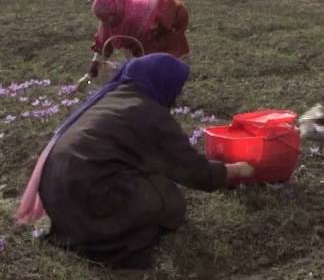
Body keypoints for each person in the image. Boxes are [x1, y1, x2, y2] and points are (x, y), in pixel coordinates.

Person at [15, 54, 253, 269]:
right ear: (164, 83)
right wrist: (239, 170)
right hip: (87, 195)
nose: (178, 95)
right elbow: (194, 173)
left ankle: (78, 232)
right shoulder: (148, 113)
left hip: (58, 195)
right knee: (166, 197)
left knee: (147, 180)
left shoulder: (111, 98)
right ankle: (107, 243)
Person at [89, 0, 190, 79]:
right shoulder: (110, 16)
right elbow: (104, 40)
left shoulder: (133, 16)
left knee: (160, 58)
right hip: (152, 26)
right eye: (101, 19)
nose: (104, 23)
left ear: (113, 13)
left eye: (106, 19)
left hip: (170, 16)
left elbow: (143, 44)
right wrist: (95, 63)